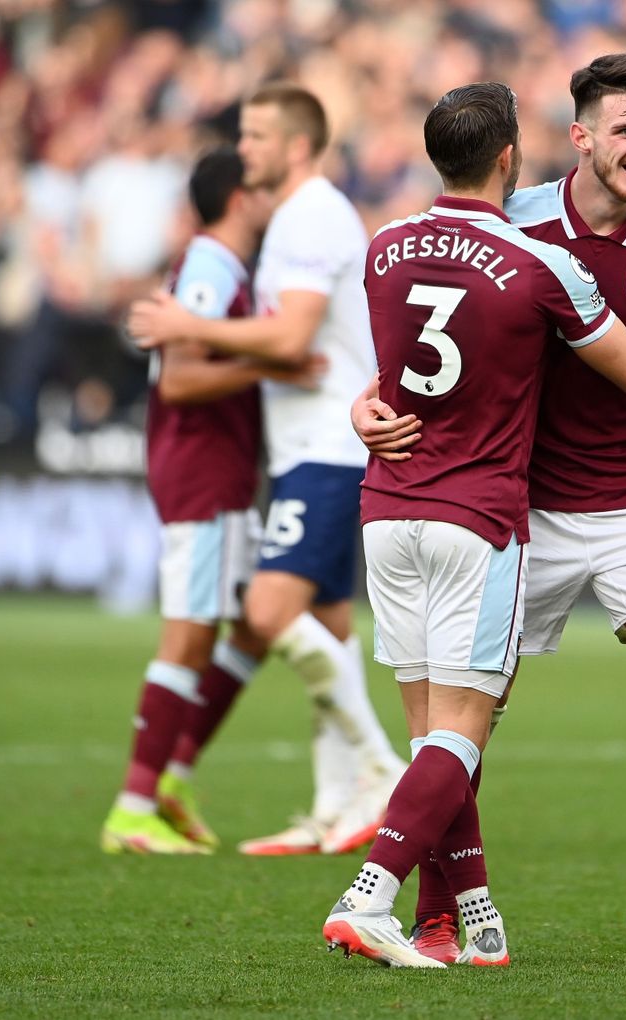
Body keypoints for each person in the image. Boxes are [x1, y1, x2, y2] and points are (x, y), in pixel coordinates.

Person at [323, 81, 626, 970]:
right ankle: (436, 913)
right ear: (579, 137)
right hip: (519, 503)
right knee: (466, 720)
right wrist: (365, 405)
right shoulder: (522, 227)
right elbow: (435, 351)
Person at [128, 86, 408, 857]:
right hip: (308, 449)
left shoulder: (311, 214)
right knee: (330, 628)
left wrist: (185, 324)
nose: (242, 148)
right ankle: (334, 805)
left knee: (267, 611)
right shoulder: (295, 218)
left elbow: (292, 337)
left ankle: (382, 768)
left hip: (328, 448)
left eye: (256, 136)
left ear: (296, 146)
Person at [102, 148, 284, 854]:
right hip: (202, 469)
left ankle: (173, 777)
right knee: (187, 635)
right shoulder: (210, 265)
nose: (274, 199)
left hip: (221, 469)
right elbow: (180, 379)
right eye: (264, 188)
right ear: (240, 198)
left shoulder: (222, 266)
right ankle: (133, 808)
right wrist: (274, 360)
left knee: (253, 627)